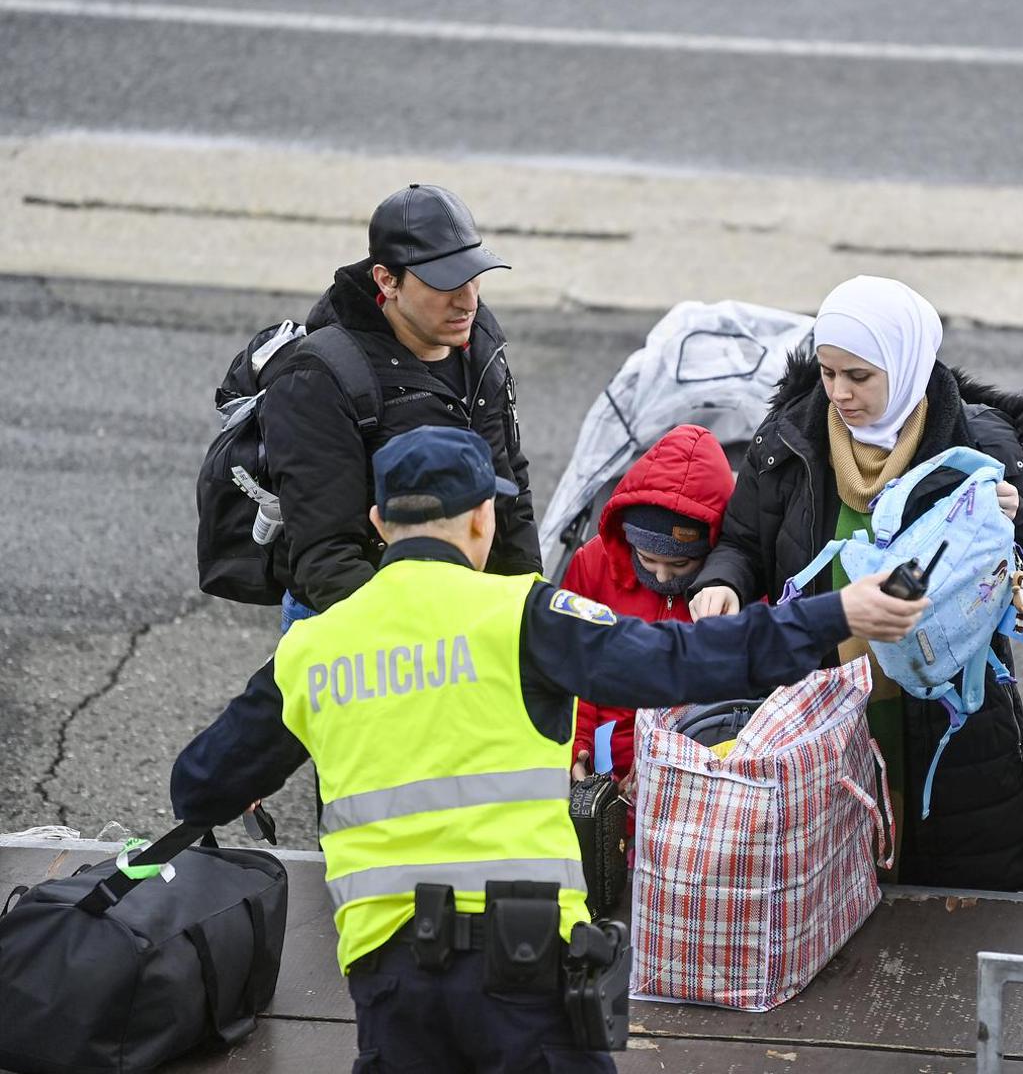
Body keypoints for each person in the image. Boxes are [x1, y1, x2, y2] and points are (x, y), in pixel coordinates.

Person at [170, 425, 924, 1074]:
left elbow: (200, 785)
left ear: (377, 520)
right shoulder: (524, 613)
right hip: (523, 965)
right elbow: (682, 658)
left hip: (390, 975)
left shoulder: (312, 648)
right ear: (480, 522)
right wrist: (837, 612)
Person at [687, 275, 1023, 892]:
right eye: (829, 373)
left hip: (952, 729)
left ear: (904, 360)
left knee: (958, 915)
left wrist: (1013, 518)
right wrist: (723, 582)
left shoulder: (980, 442)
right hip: (820, 716)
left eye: (859, 376)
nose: (839, 393)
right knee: (826, 909)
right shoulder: (789, 439)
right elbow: (742, 543)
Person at [259, 183, 540, 631]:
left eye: (473, 276)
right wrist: (424, 637)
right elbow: (325, 558)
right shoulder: (319, 378)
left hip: (465, 611)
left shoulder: (478, 339)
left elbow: (509, 490)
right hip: (361, 622)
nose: (468, 300)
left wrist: (528, 615)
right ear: (387, 280)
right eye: (446, 283)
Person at [561, 424, 734, 800]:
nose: (661, 574)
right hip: (602, 775)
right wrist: (577, 742)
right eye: (647, 558)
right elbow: (570, 664)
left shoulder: (730, 591)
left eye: (680, 564)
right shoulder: (592, 565)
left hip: (693, 781)